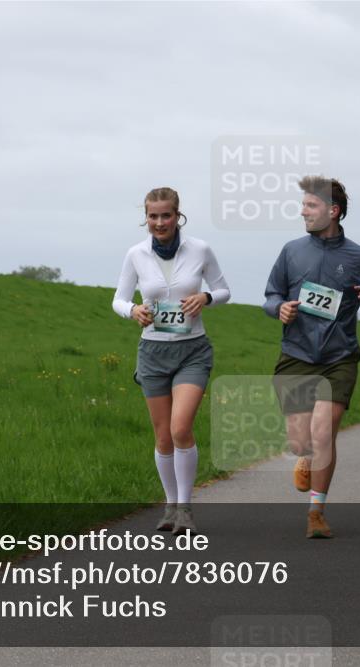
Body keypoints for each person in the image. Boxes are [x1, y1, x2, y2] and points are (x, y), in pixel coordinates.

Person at [264, 176, 360, 538]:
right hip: (296, 353)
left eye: (311, 206)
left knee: (324, 434)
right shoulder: (291, 251)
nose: (303, 211)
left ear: (333, 211)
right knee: (300, 441)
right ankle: (304, 457)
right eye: (304, 204)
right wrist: (279, 309)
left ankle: (316, 512)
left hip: (339, 357)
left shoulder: (359, 257)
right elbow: (271, 294)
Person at [113, 187, 230, 535]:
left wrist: (205, 297)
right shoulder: (136, 254)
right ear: (145, 218)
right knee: (163, 436)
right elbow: (118, 299)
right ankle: (169, 506)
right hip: (152, 352)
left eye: (166, 215)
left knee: (181, 428)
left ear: (178, 215)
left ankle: (185, 507)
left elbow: (224, 290)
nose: (160, 222)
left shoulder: (200, 249)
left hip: (192, 350)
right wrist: (132, 310)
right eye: (153, 216)